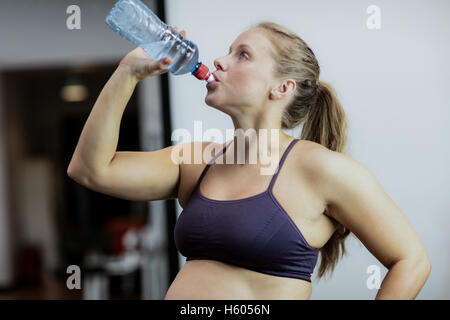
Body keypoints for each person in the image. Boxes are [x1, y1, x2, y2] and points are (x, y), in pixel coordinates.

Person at [68, 22, 431, 300]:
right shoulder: (198, 159)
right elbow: (90, 170)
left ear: (282, 88)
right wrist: (127, 73)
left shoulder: (321, 168)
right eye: (228, 51)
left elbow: (411, 261)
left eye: (242, 55)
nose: (219, 62)